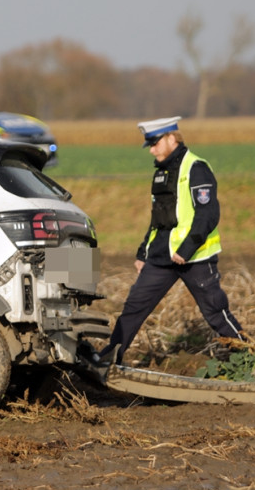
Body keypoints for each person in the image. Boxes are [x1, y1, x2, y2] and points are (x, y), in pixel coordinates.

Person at [88, 116, 245, 367]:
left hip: (194, 258)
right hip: (161, 257)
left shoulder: (196, 168)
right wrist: (143, 253)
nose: (151, 149)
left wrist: (186, 249)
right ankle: (109, 358)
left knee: (216, 312)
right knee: (133, 308)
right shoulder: (161, 173)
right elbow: (158, 220)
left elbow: (208, 215)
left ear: (173, 138)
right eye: (149, 145)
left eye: (155, 143)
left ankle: (250, 357)